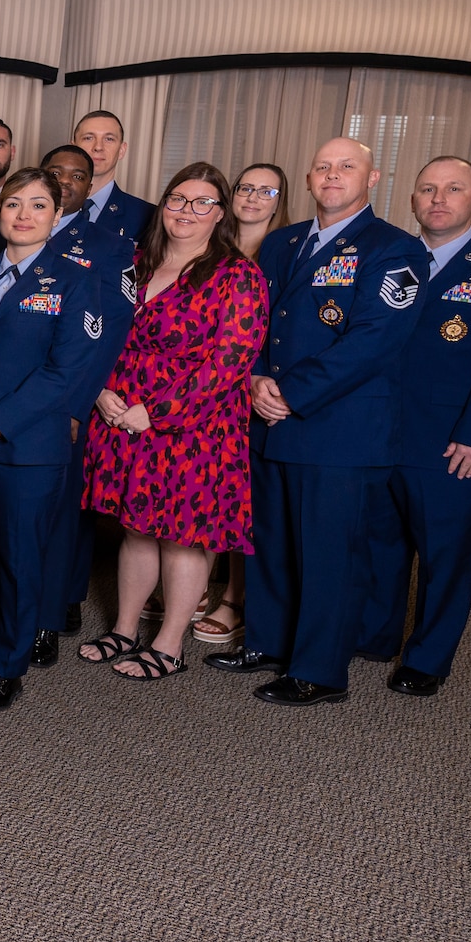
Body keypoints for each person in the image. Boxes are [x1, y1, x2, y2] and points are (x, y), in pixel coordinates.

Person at [211, 137, 426, 706]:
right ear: (308, 179)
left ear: (372, 178)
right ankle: (269, 641)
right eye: (324, 167)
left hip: (338, 430)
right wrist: (255, 379)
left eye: (346, 166)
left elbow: (376, 341)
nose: (333, 175)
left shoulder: (396, 249)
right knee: (272, 542)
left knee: (330, 555)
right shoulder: (282, 243)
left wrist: (290, 391)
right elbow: (249, 321)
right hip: (270, 418)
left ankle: (320, 670)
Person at [77, 163, 268, 680]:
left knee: (182, 535)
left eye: (202, 202)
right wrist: (100, 390)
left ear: (221, 213)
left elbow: (229, 363)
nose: (188, 211)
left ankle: (168, 643)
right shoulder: (137, 262)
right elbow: (101, 333)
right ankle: (123, 627)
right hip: (121, 415)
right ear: (163, 206)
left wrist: (156, 412)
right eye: (178, 199)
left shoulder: (237, 275)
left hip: (194, 428)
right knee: (135, 529)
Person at [0, 168, 101, 714]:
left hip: (29, 448)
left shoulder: (76, 280)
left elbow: (67, 372)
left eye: (38, 205)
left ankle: (7, 666)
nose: (24, 215)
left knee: (18, 559)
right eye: (14, 204)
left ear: (57, 216)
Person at [355, 156, 471, 696]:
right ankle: (375, 635)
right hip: (380, 431)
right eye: (427, 189)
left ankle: (428, 658)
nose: (438, 198)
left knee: (446, 557)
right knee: (380, 545)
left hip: (454, 442)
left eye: (453, 189)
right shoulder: (394, 258)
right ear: (413, 200)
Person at [36, 143, 138, 651]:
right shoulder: (7, 232)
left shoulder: (109, 244)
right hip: (8, 400)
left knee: (60, 514)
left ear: (90, 182)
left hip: (68, 405)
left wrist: (79, 404)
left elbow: (112, 330)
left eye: (79, 174)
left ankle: (51, 611)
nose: (67, 180)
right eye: (57, 172)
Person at [202, 161, 291, 643]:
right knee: (202, 490)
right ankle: (193, 582)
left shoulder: (287, 250)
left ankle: (235, 597)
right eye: (246, 188)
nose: (254, 197)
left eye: (267, 191)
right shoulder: (210, 241)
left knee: (241, 499)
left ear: (282, 200)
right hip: (205, 392)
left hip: (252, 390)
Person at [72, 110, 156, 241]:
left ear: (122, 150)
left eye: (109, 139)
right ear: (73, 148)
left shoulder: (147, 216)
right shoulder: (45, 206)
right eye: (88, 138)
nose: (98, 147)